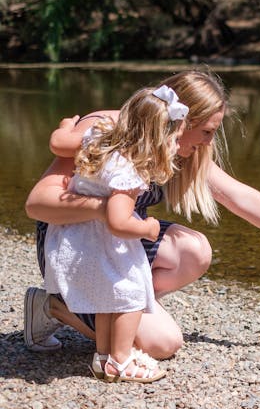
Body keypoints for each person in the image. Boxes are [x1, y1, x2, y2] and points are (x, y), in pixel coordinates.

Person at [24, 70, 260, 361]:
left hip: (118, 243)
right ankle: (54, 306)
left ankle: (110, 315)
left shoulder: (179, 148)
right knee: (162, 343)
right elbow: (37, 203)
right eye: (207, 131)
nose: (209, 141)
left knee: (194, 250)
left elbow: (240, 197)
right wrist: (105, 210)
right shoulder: (111, 130)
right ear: (183, 121)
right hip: (71, 245)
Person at [43, 85, 189, 382]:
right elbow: (117, 221)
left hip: (74, 239)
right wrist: (147, 228)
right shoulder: (129, 170)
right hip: (104, 240)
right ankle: (122, 359)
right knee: (129, 295)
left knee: (107, 298)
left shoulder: (100, 139)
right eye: (174, 139)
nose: (177, 146)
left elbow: (58, 143)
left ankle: (104, 358)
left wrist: (66, 126)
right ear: (156, 139)